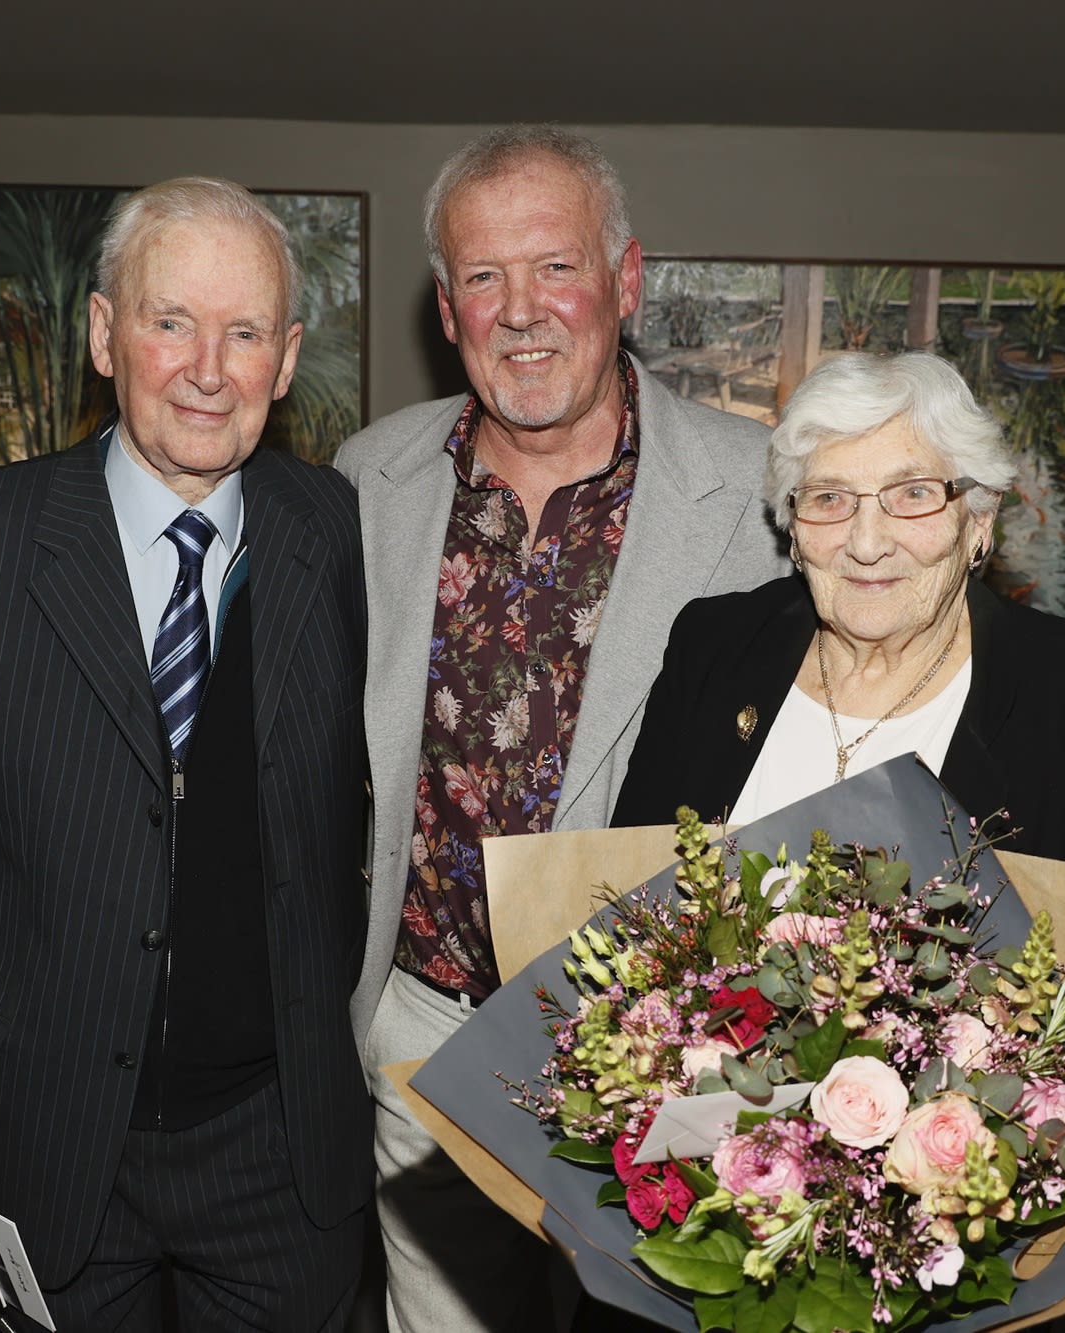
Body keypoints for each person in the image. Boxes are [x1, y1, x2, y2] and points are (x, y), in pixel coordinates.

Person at [0, 177, 372, 1332]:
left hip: (278, 1135)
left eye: (246, 331)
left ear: (287, 354)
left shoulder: (343, 533)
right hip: (34, 1124)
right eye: (171, 321)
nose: (207, 368)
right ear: (106, 337)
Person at [333, 126, 791, 1331]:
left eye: (554, 268)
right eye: (483, 277)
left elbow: (912, 667)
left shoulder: (765, 494)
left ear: (626, 281)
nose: (520, 311)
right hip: (422, 1024)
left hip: (667, 1041)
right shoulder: (365, 479)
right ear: (446, 308)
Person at [613, 350, 1065, 878]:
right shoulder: (712, 648)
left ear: (979, 519)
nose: (866, 543)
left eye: (912, 494)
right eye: (829, 497)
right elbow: (627, 896)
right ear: (793, 527)